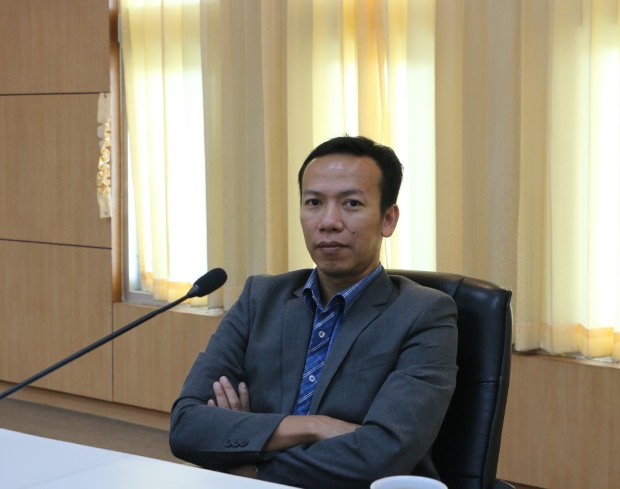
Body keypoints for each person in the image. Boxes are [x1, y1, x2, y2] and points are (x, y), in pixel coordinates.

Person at [169, 135, 458, 488]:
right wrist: (314, 426)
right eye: (313, 203)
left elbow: (382, 455)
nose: (328, 221)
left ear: (388, 219)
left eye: (351, 203)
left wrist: (252, 462)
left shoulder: (424, 313)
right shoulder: (260, 298)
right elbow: (186, 426)